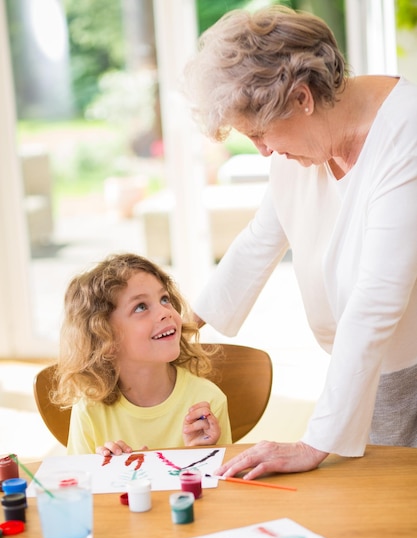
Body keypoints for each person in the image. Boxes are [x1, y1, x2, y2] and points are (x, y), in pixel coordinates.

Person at [183, 5, 417, 478]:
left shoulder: (406, 135)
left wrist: (313, 442)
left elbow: (376, 301)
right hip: (363, 365)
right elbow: (263, 237)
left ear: (303, 98)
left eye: (260, 133)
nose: (263, 149)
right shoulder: (303, 141)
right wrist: (183, 324)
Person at [51, 253, 232, 456]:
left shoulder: (207, 401)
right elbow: (81, 484)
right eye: (141, 307)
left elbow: (223, 484)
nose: (166, 312)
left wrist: (200, 457)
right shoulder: (89, 409)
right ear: (105, 338)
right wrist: (107, 472)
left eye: (164, 299)